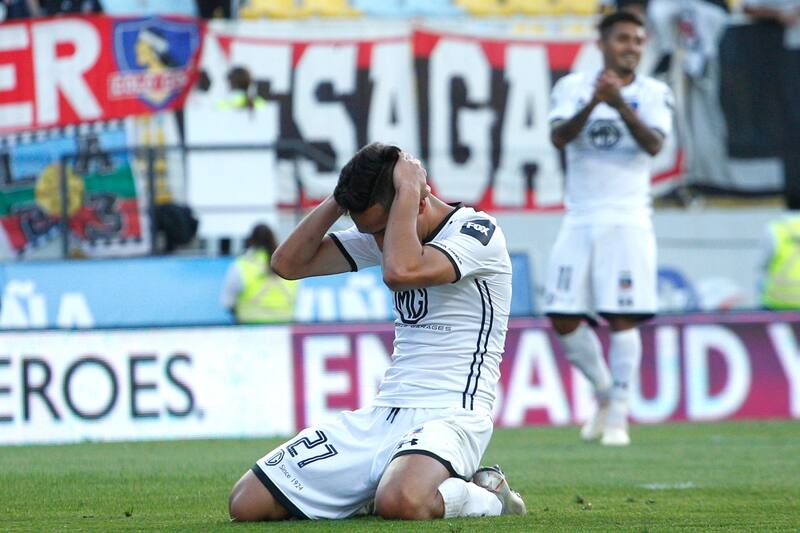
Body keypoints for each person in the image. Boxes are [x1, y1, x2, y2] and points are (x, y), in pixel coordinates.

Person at [228, 143, 526, 521]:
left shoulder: (477, 232)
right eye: (371, 233)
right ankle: (378, 485)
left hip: (452, 415)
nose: (380, 243)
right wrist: (340, 197)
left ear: (419, 201)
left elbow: (401, 271)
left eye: (383, 230)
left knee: (400, 502)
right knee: (247, 502)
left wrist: (408, 188)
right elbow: (287, 264)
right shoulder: (387, 234)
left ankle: (488, 495)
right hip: (383, 415)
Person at [544, 11, 674, 446]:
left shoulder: (654, 92)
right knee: (562, 314)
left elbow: (654, 144)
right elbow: (559, 137)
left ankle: (618, 411)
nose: (631, 47)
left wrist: (619, 105)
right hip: (580, 217)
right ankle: (602, 391)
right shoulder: (572, 87)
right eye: (622, 39)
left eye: (637, 40)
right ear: (602, 43)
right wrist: (594, 103)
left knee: (622, 316)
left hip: (627, 218)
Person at [220, 223, 297, 323]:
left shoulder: (241, 265)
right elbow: (297, 299)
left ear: (251, 240)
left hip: (250, 327)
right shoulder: (288, 265)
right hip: (285, 326)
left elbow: (228, 302)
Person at [759, 215, 800, 310]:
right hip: (779, 302)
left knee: (760, 282)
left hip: (777, 301)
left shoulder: (774, 229)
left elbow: (762, 264)